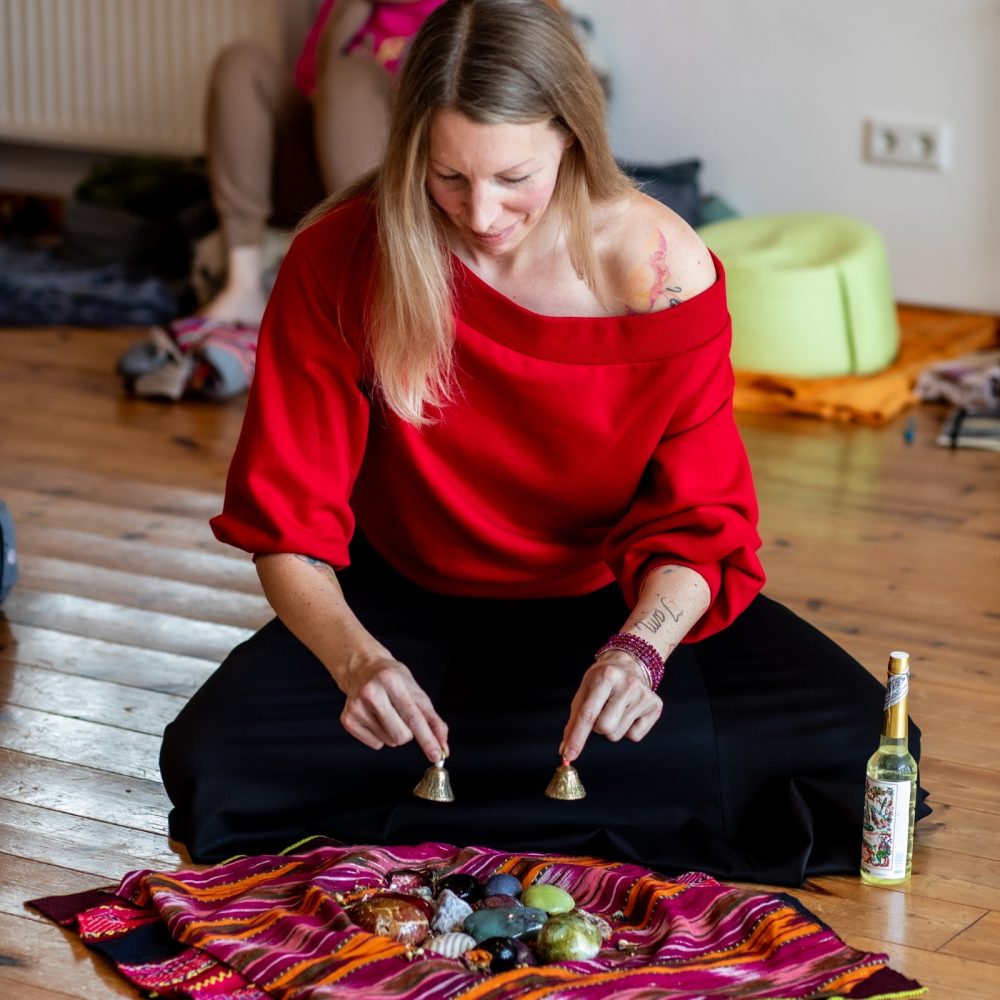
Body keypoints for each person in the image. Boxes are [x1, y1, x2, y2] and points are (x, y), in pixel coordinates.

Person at [160, 0, 927, 886]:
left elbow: (699, 524)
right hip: (407, 607)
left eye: (512, 177)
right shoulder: (338, 258)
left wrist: (641, 652)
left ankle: (461, 786)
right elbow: (287, 523)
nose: (480, 214)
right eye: (447, 177)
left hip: (603, 606)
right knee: (212, 758)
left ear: (572, 135)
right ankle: (567, 783)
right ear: (412, 149)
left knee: (865, 749)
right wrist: (357, 661)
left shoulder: (663, 275)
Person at [123, 0, 448, 400]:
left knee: (352, 75)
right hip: (313, 172)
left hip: (398, 185)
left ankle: (378, 294)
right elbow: (309, 86)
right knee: (241, 62)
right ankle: (243, 283)